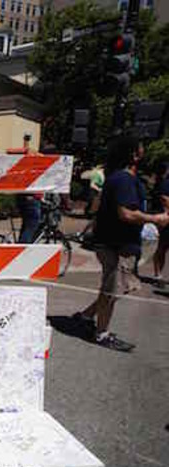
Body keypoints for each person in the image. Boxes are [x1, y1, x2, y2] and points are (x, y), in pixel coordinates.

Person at [72, 136, 169, 351]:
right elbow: (125, 213)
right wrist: (156, 219)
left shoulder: (120, 177)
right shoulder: (123, 179)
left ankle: (86, 316)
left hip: (117, 243)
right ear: (133, 154)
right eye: (141, 147)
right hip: (115, 244)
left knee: (116, 287)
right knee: (113, 289)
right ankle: (101, 333)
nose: (145, 150)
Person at [152, 162, 169, 279]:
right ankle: (158, 274)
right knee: (162, 246)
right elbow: (165, 199)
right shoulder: (165, 183)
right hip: (165, 218)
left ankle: (159, 274)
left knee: (163, 247)